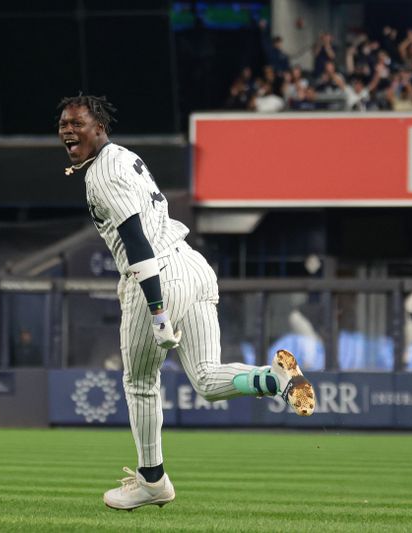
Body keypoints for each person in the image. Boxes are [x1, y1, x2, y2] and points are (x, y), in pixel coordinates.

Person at [57, 94, 316, 511]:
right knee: (207, 378)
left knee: (140, 383)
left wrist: (157, 310)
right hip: (193, 265)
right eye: (64, 123)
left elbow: (136, 240)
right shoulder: (124, 156)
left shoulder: (101, 174)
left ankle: (152, 480)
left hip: (159, 275)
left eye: (77, 122)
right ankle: (275, 380)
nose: (68, 129)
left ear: (99, 127)